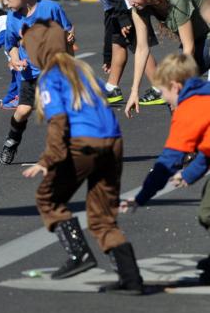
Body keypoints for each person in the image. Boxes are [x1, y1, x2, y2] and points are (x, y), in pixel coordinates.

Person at [21, 20, 143, 294]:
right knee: (102, 215)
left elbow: (59, 123)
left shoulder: (51, 77)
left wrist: (47, 160)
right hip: (113, 143)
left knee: (48, 198)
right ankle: (131, 278)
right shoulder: (84, 71)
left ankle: (79, 254)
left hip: (83, 144)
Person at [119, 53, 210, 282]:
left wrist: (142, 196)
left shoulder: (189, 109)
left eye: (164, 93)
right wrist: (190, 173)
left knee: (207, 213)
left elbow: (167, 162)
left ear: (176, 87)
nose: (165, 100)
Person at [0, 0, 74, 165]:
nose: (5, 3)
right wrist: (14, 59)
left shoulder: (50, 8)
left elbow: (67, 31)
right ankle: (12, 141)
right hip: (31, 73)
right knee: (22, 110)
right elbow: (11, 43)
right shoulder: (12, 17)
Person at [62, 0, 160, 105]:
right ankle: (112, 87)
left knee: (140, 47)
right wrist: (107, 56)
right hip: (122, 8)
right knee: (118, 44)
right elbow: (109, 17)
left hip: (129, 6)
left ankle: (160, 88)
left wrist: (124, 20)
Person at [120, 0, 210, 116]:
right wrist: (134, 91)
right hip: (199, 39)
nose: (131, 3)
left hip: (206, 38)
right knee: (173, 93)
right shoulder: (139, 9)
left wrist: (179, 81)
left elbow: (189, 48)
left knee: (177, 90)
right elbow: (142, 49)